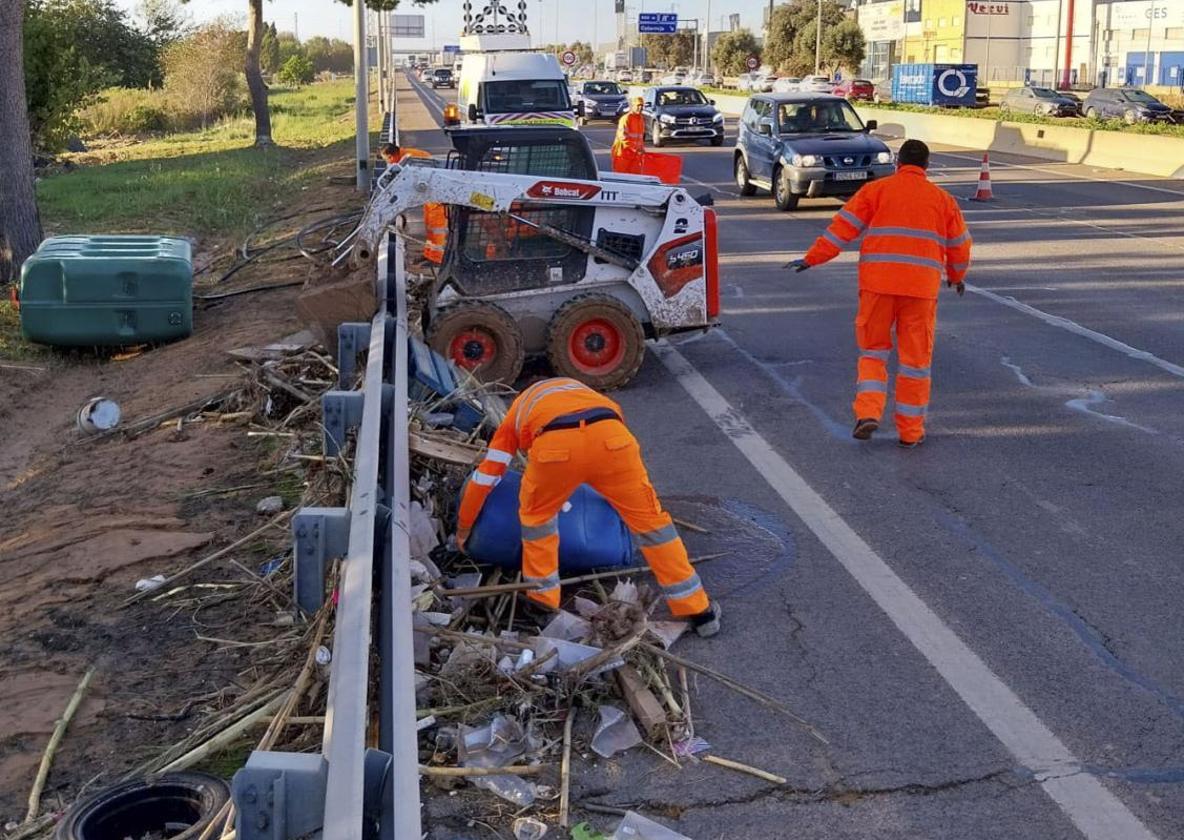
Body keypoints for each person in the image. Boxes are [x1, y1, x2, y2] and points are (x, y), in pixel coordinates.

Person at [456, 377, 721, 637]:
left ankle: (542, 605)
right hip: (614, 440)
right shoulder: (579, 389)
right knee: (654, 525)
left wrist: (464, 528)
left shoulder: (518, 410)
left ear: (522, 394)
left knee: (537, 521)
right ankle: (699, 611)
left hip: (555, 450)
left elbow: (486, 476)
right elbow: (604, 432)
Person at [789, 139, 972, 448]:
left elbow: (842, 228)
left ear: (898, 163)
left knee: (873, 352)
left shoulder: (876, 191)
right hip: (920, 290)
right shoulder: (942, 200)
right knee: (915, 362)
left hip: (877, 286)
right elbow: (960, 246)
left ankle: (868, 412)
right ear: (926, 166)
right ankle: (910, 432)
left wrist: (812, 258)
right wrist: (956, 277)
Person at [379, 143, 446, 265]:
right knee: (430, 226)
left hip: (437, 196)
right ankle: (430, 254)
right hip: (430, 196)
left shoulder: (410, 159)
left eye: (387, 160)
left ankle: (437, 258)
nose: (389, 163)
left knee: (437, 228)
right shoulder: (405, 157)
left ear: (391, 156)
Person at [611, 94, 647, 175]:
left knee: (635, 177)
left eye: (642, 106)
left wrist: (641, 148)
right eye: (638, 105)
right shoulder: (626, 118)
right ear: (632, 106)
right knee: (622, 177)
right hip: (623, 154)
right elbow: (623, 136)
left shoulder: (640, 119)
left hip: (635, 155)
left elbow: (640, 137)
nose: (640, 108)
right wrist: (635, 148)